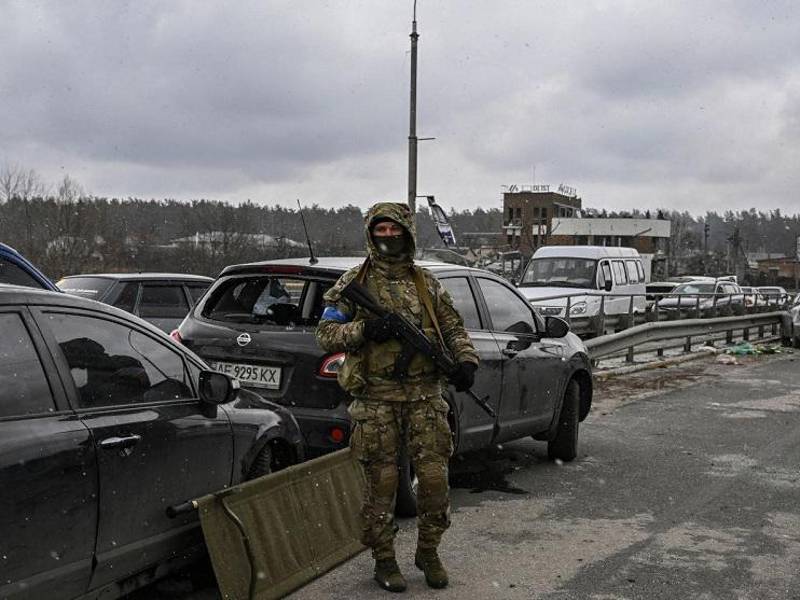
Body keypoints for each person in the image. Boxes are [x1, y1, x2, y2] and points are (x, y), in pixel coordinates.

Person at [316, 202, 479, 592]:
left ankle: (428, 552)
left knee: (435, 481)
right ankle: (385, 559)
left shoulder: (426, 283)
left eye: (394, 229)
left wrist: (465, 362)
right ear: (371, 234)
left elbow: (453, 328)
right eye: (381, 230)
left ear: (407, 232)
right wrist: (364, 331)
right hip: (377, 399)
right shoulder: (354, 282)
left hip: (425, 397)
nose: (388, 236)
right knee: (382, 484)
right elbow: (325, 334)